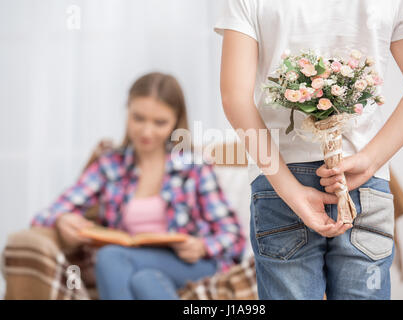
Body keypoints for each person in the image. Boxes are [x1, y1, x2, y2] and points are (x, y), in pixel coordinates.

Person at [214, 0, 403, 299]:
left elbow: (235, 98)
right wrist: (369, 160)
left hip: (280, 181)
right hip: (362, 181)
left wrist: (291, 192)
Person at [30, 72, 246, 299]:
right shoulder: (110, 165)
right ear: (127, 111)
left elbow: (233, 236)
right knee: (145, 280)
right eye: (138, 118)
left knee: (111, 257)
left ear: (176, 120)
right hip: (134, 265)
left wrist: (202, 246)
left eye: (159, 122)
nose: (146, 131)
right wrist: (61, 219)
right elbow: (44, 216)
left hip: (190, 264)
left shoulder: (193, 166)